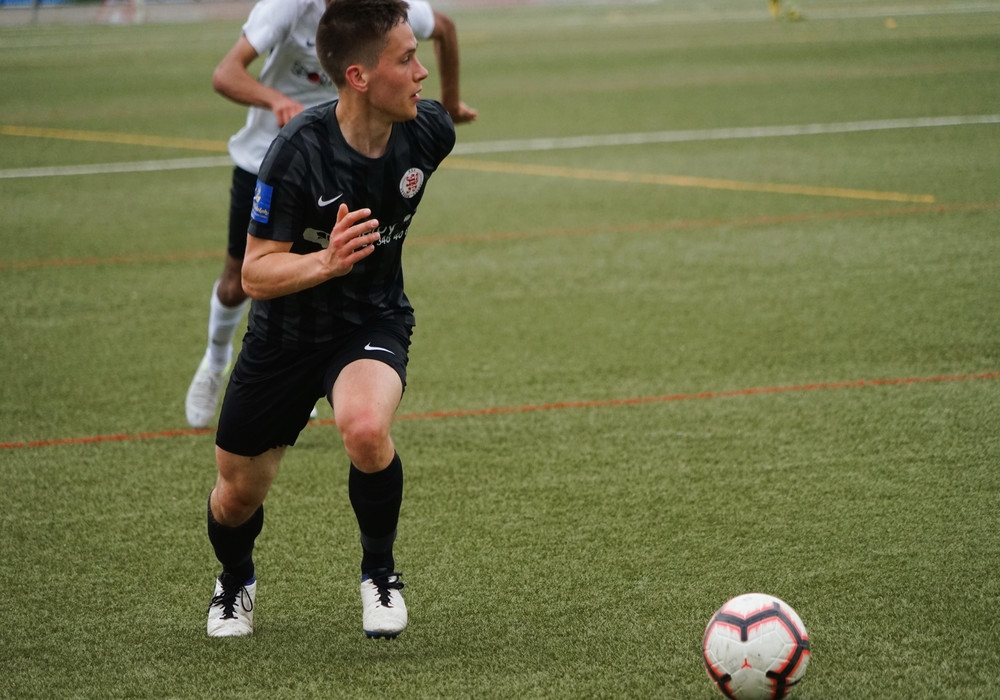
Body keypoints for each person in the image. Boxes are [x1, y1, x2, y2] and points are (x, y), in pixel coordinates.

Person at [204, 0, 456, 639]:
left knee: (366, 429)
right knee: (235, 498)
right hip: (284, 336)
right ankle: (235, 580)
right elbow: (255, 274)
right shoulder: (296, 152)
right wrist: (325, 262)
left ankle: (380, 574)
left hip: (371, 319)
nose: (422, 73)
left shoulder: (429, 131)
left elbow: (440, 92)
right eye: (407, 59)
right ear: (359, 77)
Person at [185, 0, 477, 429]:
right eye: (406, 59)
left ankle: (316, 374)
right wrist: (278, 102)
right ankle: (216, 361)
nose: (418, 69)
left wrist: (450, 104)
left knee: (344, 268)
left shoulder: (384, 14)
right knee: (238, 282)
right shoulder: (288, 7)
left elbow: (445, 28)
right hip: (270, 157)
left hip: (350, 157)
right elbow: (225, 73)